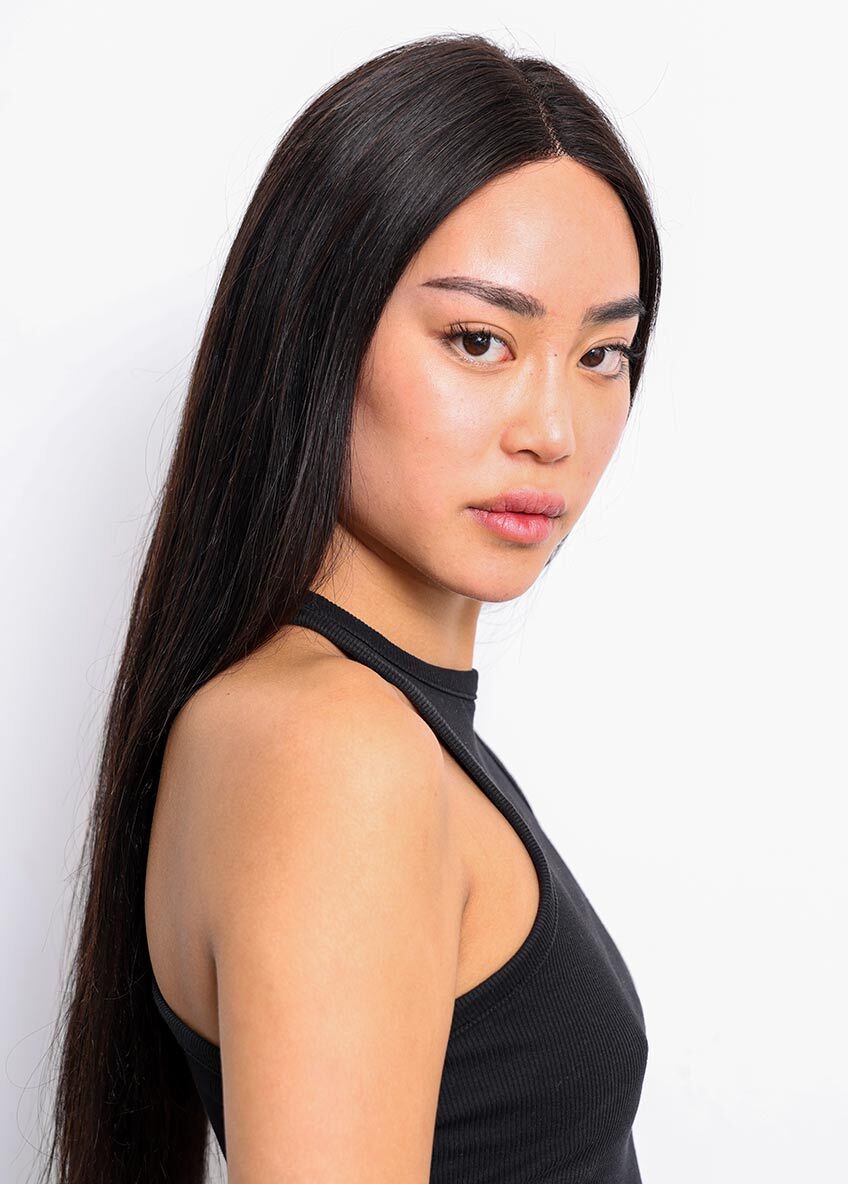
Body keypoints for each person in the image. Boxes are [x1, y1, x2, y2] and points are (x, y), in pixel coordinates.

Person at [38, 31, 661, 1184]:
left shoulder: (346, 725)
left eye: (601, 354)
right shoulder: (334, 752)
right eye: (479, 340)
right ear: (314, 331)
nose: (552, 429)